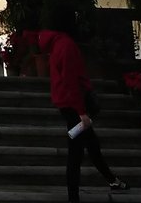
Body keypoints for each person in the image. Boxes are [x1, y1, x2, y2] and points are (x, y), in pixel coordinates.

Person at [38, 22, 128, 202]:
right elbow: (71, 80)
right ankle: (74, 195)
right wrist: (81, 112)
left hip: (65, 102)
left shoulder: (56, 44)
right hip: (74, 106)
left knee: (91, 144)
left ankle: (112, 180)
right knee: (76, 151)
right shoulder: (67, 45)